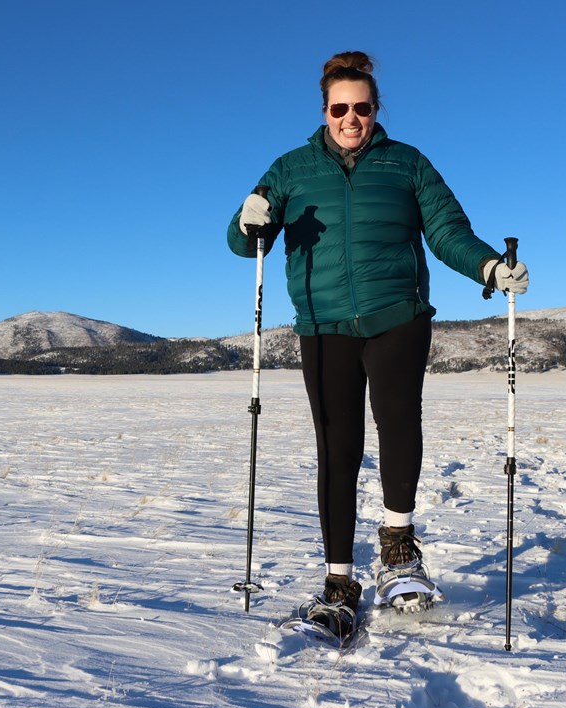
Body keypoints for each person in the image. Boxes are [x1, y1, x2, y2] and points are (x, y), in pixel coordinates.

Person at [226, 51, 529, 624]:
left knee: (397, 425)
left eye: (361, 107)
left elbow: (446, 231)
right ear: (324, 110)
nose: (350, 118)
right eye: (339, 108)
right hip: (323, 324)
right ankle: (338, 581)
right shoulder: (291, 169)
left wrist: (489, 267)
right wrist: (248, 220)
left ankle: (397, 548)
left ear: (375, 109)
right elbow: (246, 241)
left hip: (397, 316)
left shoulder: (406, 163)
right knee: (337, 450)